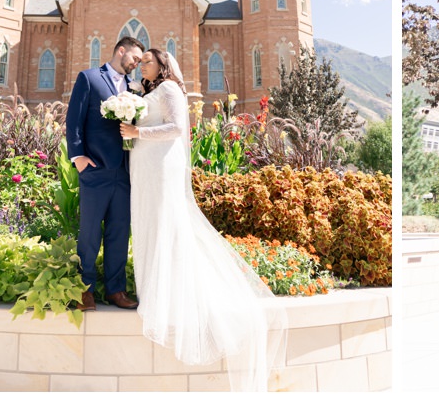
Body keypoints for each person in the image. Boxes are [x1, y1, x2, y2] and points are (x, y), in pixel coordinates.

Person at [119, 49, 281, 392]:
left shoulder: (170, 90)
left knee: (166, 225)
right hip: (144, 167)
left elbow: (178, 127)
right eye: (142, 62)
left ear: (162, 66)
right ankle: (152, 291)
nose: (141, 65)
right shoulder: (147, 93)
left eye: (147, 61)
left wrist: (137, 134)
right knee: (148, 224)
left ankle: (170, 296)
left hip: (162, 165)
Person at [65, 36, 146, 312]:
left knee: (119, 232)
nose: (136, 63)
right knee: (89, 232)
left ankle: (115, 289)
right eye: (134, 57)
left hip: (123, 171)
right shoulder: (88, 78)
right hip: (95, 169)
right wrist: (79, 159)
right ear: (120, 51)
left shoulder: (135, 88)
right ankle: (84, 290)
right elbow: (74, 121)